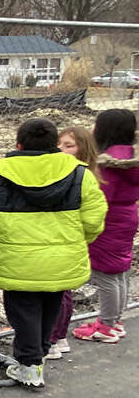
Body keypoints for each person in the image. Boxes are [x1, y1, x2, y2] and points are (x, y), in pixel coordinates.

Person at [0, 118, 106, 388]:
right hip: (59, 261)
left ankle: (29, 365)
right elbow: (94, 219)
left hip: (16, 263)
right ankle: (38, 356)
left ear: (19, 144)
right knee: (51, 305)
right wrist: (73, 241)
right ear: (54, 145)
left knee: (23, 310)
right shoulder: (80, 174)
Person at [73, 109, 139, 345]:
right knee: (120, 270)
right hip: (127, 214)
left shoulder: (109, 161)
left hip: (109, 219)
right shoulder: (130, 155)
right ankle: (114, 321)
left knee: (106, 274)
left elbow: (100, 196)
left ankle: (106, 326)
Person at [47, 127, 98, 358]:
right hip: (65, 242)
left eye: (69, 145)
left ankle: (52, 339)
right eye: (59, 145)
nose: (61, 150)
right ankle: (58, 336)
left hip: (65, 242)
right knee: (62, 291)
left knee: (58, 292)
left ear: (84, 151)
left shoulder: (81, 177)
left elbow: (92, 218)